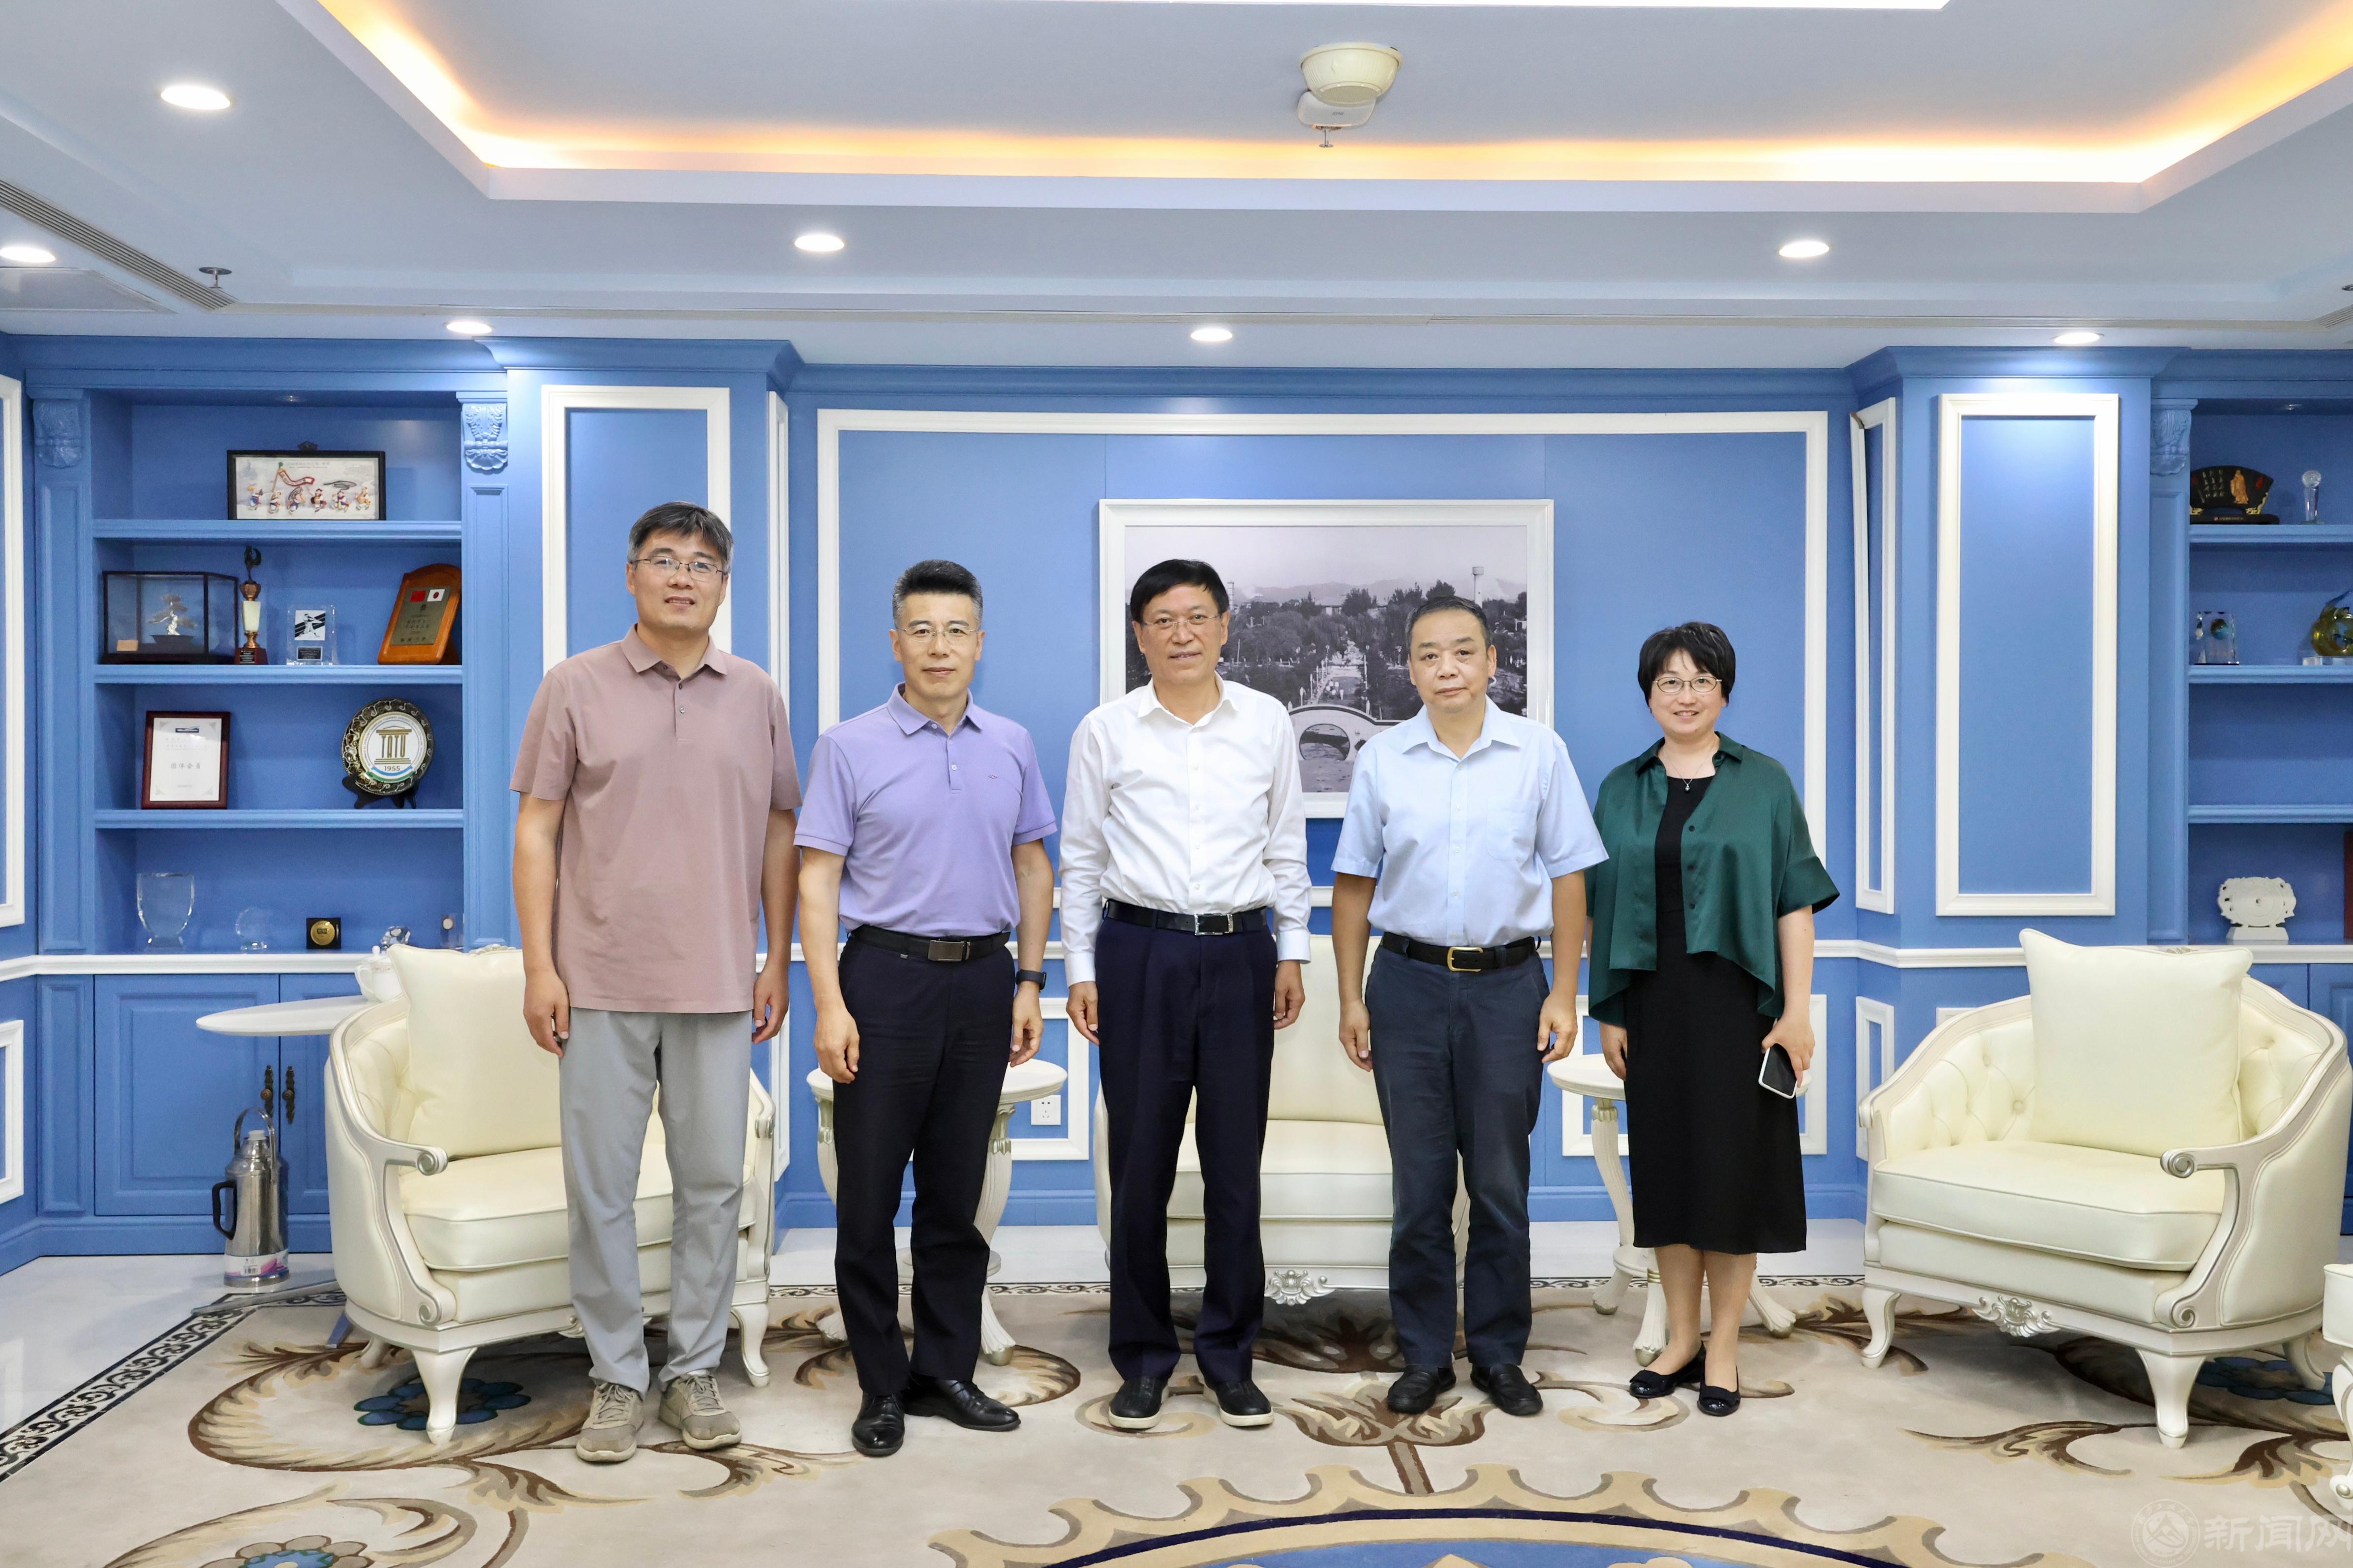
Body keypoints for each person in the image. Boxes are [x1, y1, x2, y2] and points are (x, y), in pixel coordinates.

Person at [512, 501, 800, 1463]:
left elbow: (780, 830)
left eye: (704, 564)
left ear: (724, 585)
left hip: (719, 981)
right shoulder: (574, 685)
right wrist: (541, 965)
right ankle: (616, 1375)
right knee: (600, 1188)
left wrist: (775, 956)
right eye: (665, 559)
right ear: (632, 575)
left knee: (714, 1185)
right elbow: (538, 828)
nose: (684, 577)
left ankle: (692, 1371)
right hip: (598, 978)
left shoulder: (755, 693)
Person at [797, 560, 1058, 1459]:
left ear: (979, 643)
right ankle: (881, 1384)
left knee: (955, 1195)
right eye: (922, 630)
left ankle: (946, 1370)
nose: (939, 647)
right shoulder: (848, 746)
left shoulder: (1011, 744)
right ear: (897, 642)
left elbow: (1033, 866)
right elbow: (818, 879)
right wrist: (829, 1003)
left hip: (984, 981)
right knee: (868, 1198)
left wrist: (1031, 982)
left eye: (955, 631)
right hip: (883, 978)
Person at [1330, 596, 1606, 1419]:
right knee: (1419, 1191)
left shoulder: (1538, 753)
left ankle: (1497, 1353)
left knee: (1499, 1186)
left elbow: (1571, 878)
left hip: (1509, 987)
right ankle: (1423, 1356)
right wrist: (1350, 997)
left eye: (1462, 652)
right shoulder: (1384, 758)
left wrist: (1565, 993)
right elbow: (1354, 884)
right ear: (1409, 669)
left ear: (1492, 663)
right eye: (1428, 655)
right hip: (1406, 985)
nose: (1446, 668)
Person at [1062, 558, 1311, 1431]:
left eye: (1197, 617)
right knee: (1141, 1168)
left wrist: (1292, 952)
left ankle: (1230, 1358)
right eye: (1163, 620)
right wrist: (1082, 970)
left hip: (1242, 952)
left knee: (1235, 1167)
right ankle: (1142, 1358)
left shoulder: (1267, 721)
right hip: (1138, 953)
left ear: (1224, 626)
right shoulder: (1105, 731)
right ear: (1140, 635)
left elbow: (1287, 846)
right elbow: (1080, 860)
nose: (1182, 634)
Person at [1586, 622, 1837, 1417]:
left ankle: (1724, 1346)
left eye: (1701, 680)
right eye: (1670, 682)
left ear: (1724, 692)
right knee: (1666, 1176)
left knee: (1732, 1179)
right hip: (1651, 1005)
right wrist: (1610, 1009)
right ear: (1649, 694)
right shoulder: (1621, 787)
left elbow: (1794, 903)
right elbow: (1597, 906)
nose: (1685, 695)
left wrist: (1796, 1013)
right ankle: (1681, 1339)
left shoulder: (1765, 783)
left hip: (1739, 1008)